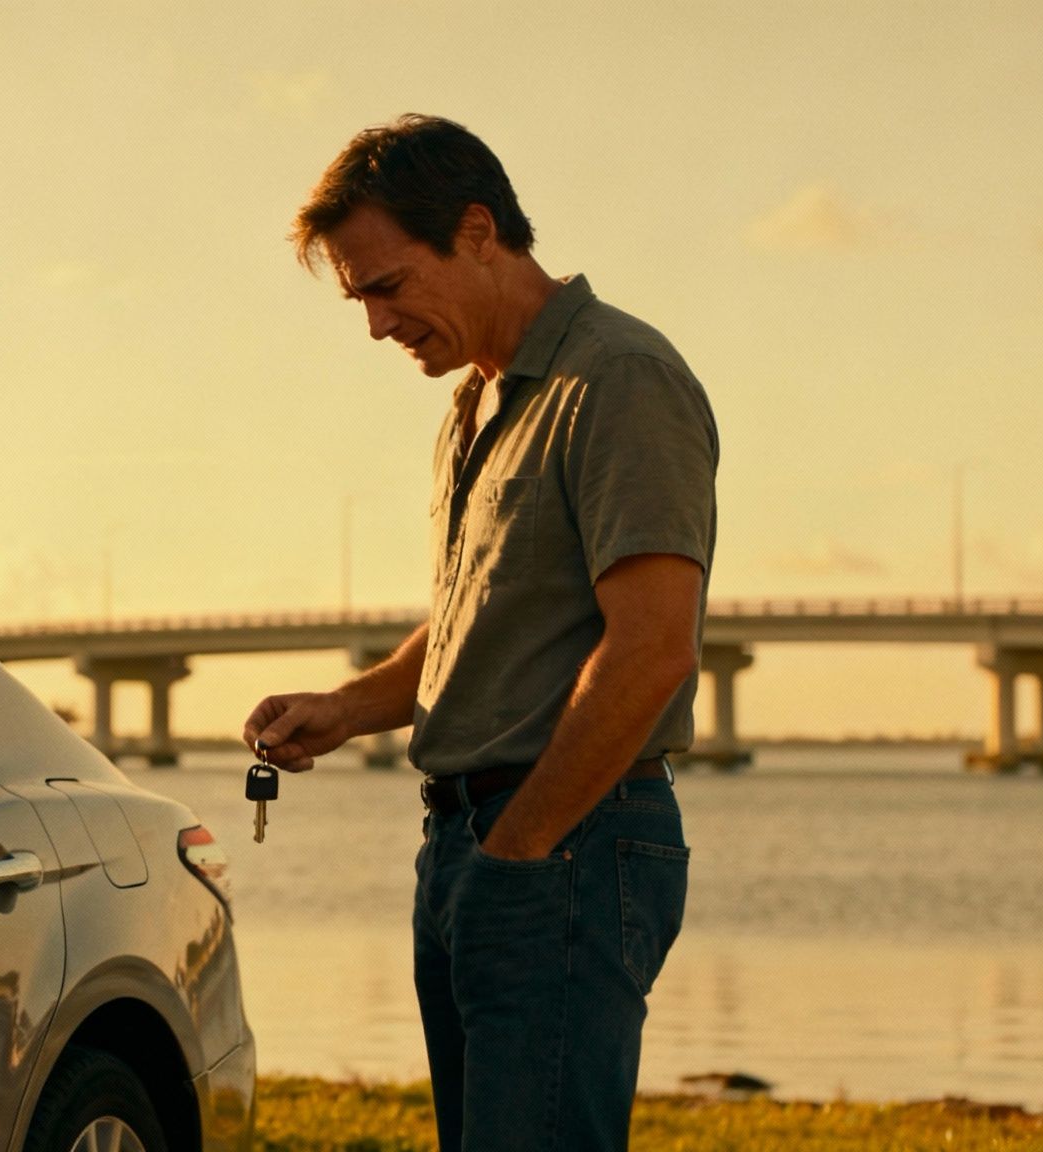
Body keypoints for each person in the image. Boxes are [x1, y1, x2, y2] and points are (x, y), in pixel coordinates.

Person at [244, 115, 717, 1152]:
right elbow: (473, 627)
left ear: (474, 230)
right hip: (469, 846)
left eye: (384, 286)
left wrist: (520, 849)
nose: (374, 324)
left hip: (564, 848)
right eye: (357, 296)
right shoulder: (471, 405)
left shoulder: (618, 379)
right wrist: (347, 706)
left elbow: (651, 650)